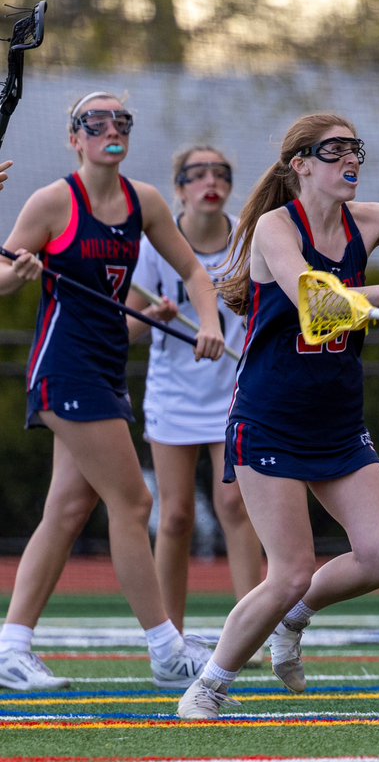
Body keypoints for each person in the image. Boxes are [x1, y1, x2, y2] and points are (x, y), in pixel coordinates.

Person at [174, 112, 379, 719]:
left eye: (355, 149)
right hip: (269, 417)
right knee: (289, 570)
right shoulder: (276, 227)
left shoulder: (368, 220)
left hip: (339, 421)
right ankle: (209, 685)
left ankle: (294, 616)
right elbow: (316, 303)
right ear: (301, 165)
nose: (350, 159)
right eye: (334, 151)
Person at [0, 93, 226, 692]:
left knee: (68, 510)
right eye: (94, 123)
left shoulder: (144, 201)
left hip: (105, 366)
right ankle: (165, 648)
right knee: (134, 504)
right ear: (75, 138)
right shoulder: (54, 201)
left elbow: (197, 274)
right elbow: (0, 275)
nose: (110, 129)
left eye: (120, 121)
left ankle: (12, 646)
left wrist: (208, 322)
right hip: (64, 367)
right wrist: (15, 274)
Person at [125, 146, 262, 638]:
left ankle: (252, 632)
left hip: (236, 391)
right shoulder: (154, 245)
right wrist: (152, 316)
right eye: (197, 173)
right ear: (179, 187)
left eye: (221, 173)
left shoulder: (249, 240)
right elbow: (124, 330)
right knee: (176, 515)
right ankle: (172, 640)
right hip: (173, 396)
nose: (211, 181)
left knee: (236, 507)